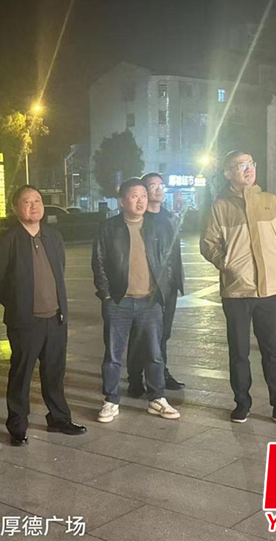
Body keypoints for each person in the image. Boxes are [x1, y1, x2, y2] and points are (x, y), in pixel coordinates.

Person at [200, 151, 276, 428]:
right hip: (237, 291)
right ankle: (241, 403)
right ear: (228, 172)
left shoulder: (271, 201)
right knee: (239, 351)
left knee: (273, 350)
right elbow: (208, 243)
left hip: (268, 290)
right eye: (241, 165)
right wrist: (227, 263)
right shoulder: (220, 206)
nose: (248, 169)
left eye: (251, 164)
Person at [0, 185, 87, 446]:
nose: (34, 206)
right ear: (15, 208)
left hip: (55, 318)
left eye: (38, 200)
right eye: (27, 201)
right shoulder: (8, 239)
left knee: (54, 372)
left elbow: (59, 270)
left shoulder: (53, 236)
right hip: (25, 322)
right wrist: (19, 305)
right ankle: (17, 426)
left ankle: (59, 418)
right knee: (21, 375)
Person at [92, 178, 180, 423]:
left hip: (150, 302)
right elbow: (98, 263)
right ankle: (111, 400)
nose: (140, 201)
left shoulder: (156, 226)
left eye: (143, 195)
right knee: (113, 356)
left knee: (154, 354)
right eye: (134, 196)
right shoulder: (108, 228)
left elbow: (167, 261)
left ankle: (157, 398)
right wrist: (107, 295)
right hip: (118, 302)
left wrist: (162, 292)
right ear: (122, 202)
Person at [127, 172, 185, 396]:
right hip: (148, 288)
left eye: (161, 185)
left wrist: (176, 281)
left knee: (163, 334)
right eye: (153, 186)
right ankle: (135, 378)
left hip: (168, 286)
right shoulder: (140, 220)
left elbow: (174, 253)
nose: (159, 189)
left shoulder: (169, 217)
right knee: (139, 335)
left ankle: (161, 373)